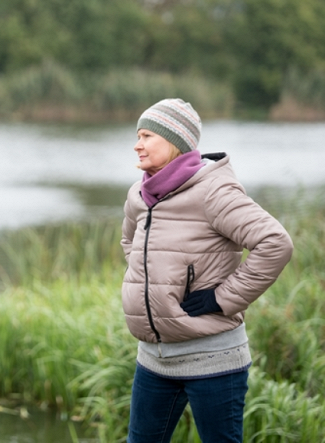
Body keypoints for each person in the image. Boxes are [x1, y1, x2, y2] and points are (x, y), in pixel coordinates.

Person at [120, 98, 293, 442]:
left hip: (213, 360)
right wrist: (153, 286)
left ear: (174, 141)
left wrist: (220, 298)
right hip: (153, 360)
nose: (137, 145)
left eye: (146, 136)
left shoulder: (213, 190)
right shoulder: (139, 195)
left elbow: (275, 243)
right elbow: (130, 243)